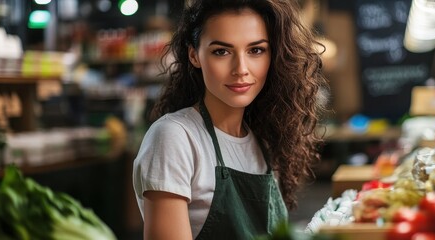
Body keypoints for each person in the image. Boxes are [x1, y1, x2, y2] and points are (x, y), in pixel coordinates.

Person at [133, 0, 328, 239]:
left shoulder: (264, 142)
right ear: (194, 55)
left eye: (256, 50)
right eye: (221, 51)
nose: (241, 69)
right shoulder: (175, 137)